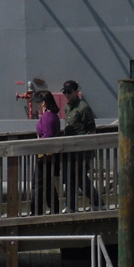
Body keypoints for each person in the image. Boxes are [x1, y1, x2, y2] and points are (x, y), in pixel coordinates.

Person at [60, 79, 100, 210]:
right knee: (70, 178)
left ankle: (97, 202)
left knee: (80, 177)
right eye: (64, 92)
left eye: (69, 92)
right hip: (69, 149)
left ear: (76, 92)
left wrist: (92, 148)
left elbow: (91, 129)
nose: (66, 95)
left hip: (81, 149)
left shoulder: (84, 108)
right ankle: (71, 206)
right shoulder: (67, 108)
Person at [33, 89, 62, 213]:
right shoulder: (52, 115)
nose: (37, 105)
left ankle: (36, 210)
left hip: (45, 154)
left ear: (44, 103)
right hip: (48, 154)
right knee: (47, 183)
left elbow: (48, 135)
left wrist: (38, 141)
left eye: (39, 102)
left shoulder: (47, 116)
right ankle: (54, 208)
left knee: (38, 184)